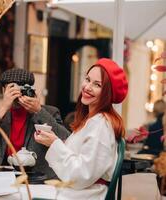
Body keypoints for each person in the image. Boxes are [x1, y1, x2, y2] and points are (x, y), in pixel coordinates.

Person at [34, 58, 128, 200]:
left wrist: (54, 144)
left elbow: (82, 174)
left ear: (108, 93)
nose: (87, 87)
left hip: (86, 195)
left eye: (97, 84)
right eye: (87, 79)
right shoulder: (91, 121)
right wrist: (54, 141)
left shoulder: (101, 125)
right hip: (79, 192)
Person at [0, 68, 70, 179]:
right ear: (3, 90)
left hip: (38, 178)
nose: (17, 94)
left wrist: (38, 111)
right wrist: (2, 110)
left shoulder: (50, 112)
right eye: (12, 89)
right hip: (4, 177)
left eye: (22, 89)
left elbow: (66, 140)